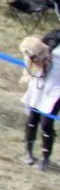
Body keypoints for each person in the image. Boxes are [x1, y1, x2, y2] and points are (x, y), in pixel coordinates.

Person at [19, 35, 60, 170]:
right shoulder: (52, 38)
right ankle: (28, 152)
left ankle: (45, 157)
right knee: (32, 118)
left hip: (56, 89)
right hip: (39, 84)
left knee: (47, 123)